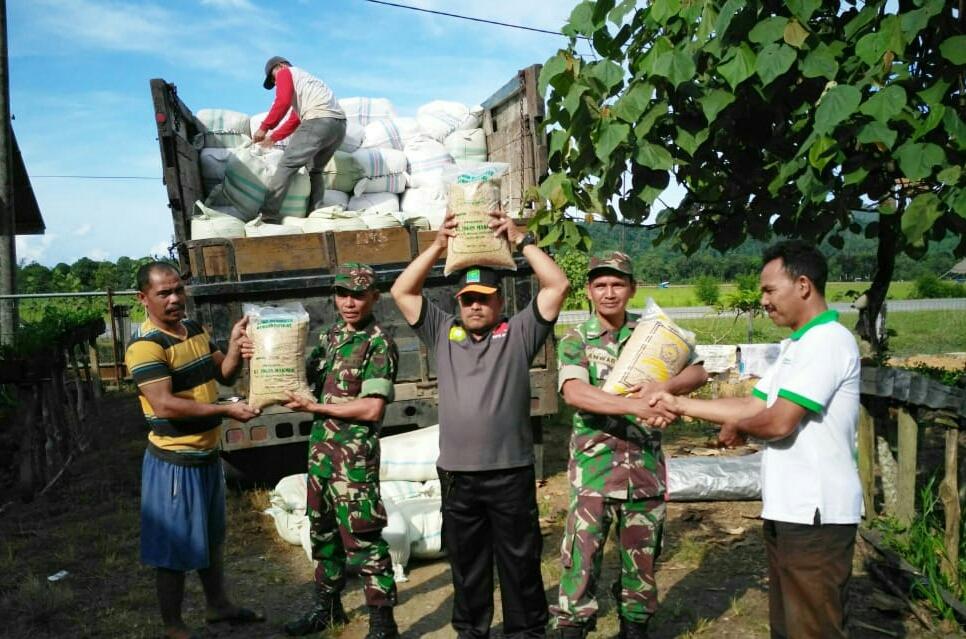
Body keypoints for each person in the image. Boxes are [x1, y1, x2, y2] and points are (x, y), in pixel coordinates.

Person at [650, 240, 862, 639]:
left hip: (817, 512)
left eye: (769, 290)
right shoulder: (798, 345)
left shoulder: (827, 341)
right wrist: (677, 402)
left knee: (813, 628)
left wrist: (741, 426)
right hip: (790, 508)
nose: (763, 300)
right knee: (788, 625)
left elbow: (779, 422)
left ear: (803, 285)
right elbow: (751, 404)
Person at [391, 211, 569, 638]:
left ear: (499, 303)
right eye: (468, 298)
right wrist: (437, 246)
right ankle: (472, 632)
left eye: (484, 298)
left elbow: (557, 286)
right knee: (468, 566)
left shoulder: (519, 333)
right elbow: (401, 290)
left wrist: (522, 240)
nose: (475, 305)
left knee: (519, 562)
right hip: (458, 477)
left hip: (510, 473)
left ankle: (526, 632)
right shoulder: (441, 332)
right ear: (458, 302)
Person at [551, 251, 708, 639]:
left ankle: (634, 626)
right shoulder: (576, 339)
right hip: (595, 472)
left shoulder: (652, 334)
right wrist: (636, 406)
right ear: (589, 291)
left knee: (642, 562)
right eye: (601, 285)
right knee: (581, 561)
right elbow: (575, 393)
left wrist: (663, 386)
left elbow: (699, 371)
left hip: (644, 471)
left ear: (632, 289)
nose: (609, 293)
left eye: (618, 284)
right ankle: (574, 626)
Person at [125, 262, 264, 639]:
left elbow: (224, 375)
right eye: (163, 293)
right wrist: (225, 410)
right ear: (143, 298)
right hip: (175, 462)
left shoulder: (195, 329)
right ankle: (173, 626)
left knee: (212, 538)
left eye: (178, 290)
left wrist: (235, 347)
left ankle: (218, 607)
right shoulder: (146, 347)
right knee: (173, 550)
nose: (174, 299)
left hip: (206, 456)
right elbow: (165, 405)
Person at [281, 262, 400, 638]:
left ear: (374, 297)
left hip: (354, 461)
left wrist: (316, 407)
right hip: (321, 455)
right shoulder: (329, 337)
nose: (349, 302)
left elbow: (372, 409)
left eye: (358, 295)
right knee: (322, 534)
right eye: (342, 294)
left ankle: (383, 623)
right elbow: (305, 381)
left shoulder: (379, 343)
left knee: (364, 539)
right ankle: (328, 609)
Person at [253, 56, 347, 222]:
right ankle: (316, 214)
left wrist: (264, 127)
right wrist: (273, 138)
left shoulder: (285, 73)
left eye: (273, 78)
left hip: (318, 121)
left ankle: (268, 215)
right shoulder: (307, 81)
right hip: (339, 126)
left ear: (280, 66)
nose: (275, 82)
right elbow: (295, 119)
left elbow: (282, 102)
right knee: (315, 170)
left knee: (287, 165)